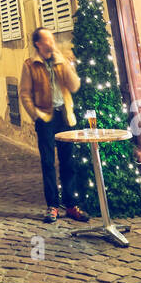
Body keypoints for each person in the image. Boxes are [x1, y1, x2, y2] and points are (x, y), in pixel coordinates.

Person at [19, 27, 89, 223]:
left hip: (65, 117)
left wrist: (64, 63)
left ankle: (71, 205)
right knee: (48, 163)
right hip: (46, 119)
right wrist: (36, 115)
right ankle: (52, 206)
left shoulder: (61, 62)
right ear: (38, 44)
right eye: (47, 40)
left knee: (69, 162)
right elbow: (24, 93)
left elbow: (74, 85)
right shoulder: (30, 65)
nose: (52, 42)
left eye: (52, 39)